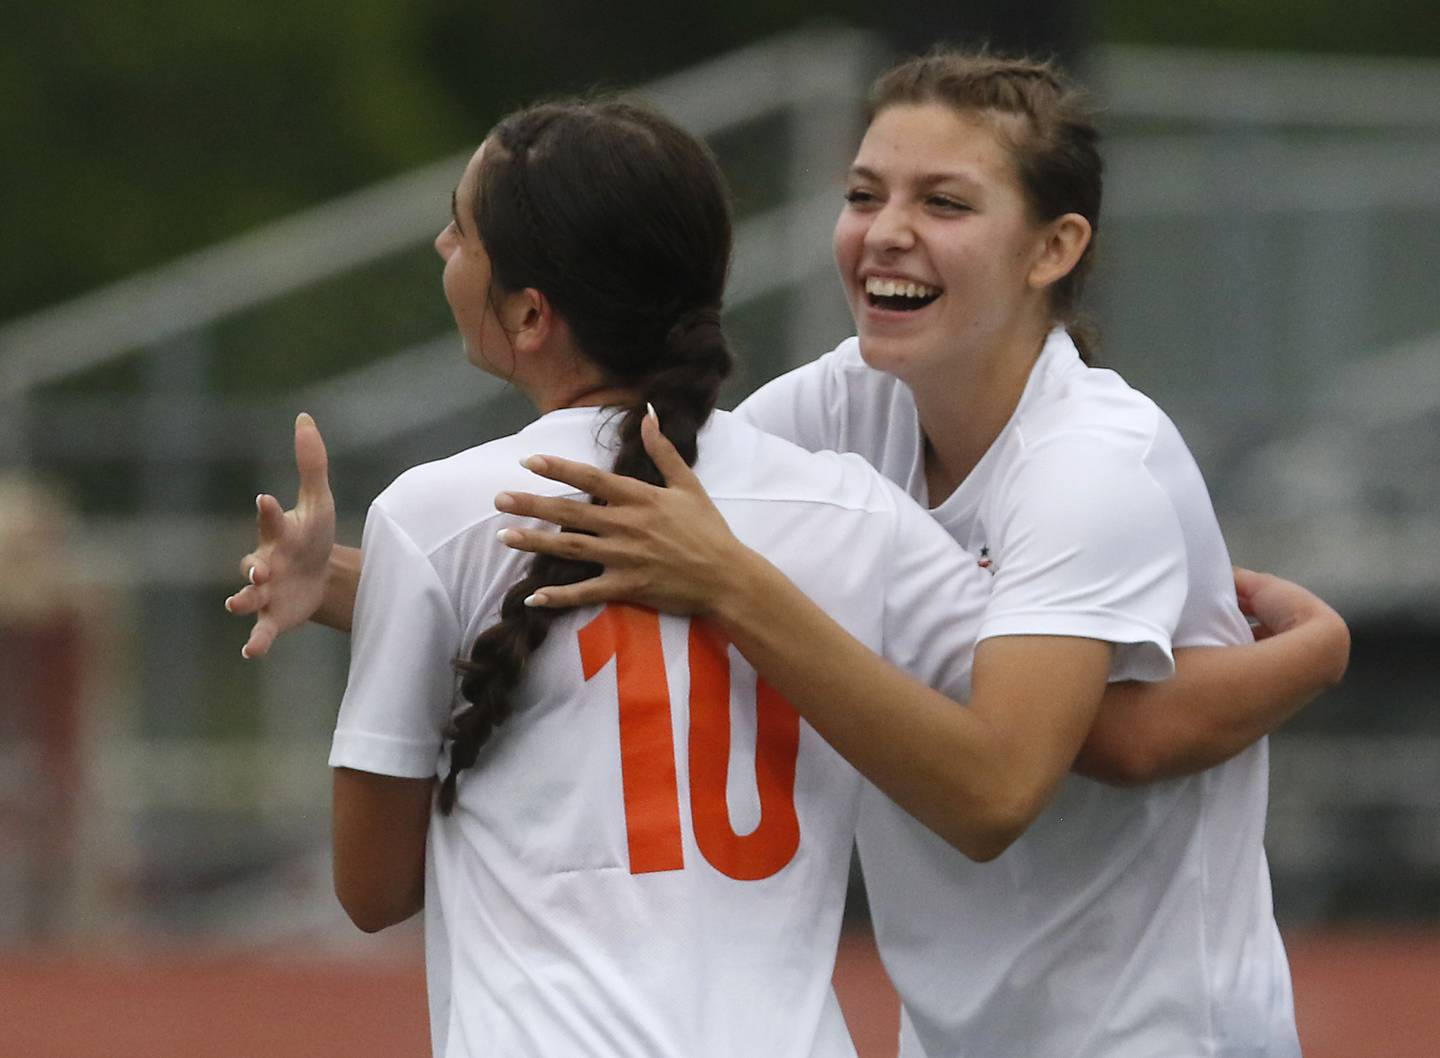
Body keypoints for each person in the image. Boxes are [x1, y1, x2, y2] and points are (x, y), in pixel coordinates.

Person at [228, 55, 1348, 1058]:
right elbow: (615, 588)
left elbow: (1027, 767)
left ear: (1055, 248)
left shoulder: (1090, 465)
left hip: (1148, 1028)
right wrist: (356, 586)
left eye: (944, 201)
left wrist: (1322, 651)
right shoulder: (833, 420)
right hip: (948, 1020)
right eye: (865, 193)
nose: (887, 229)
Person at [303, 96, 1016, 1058]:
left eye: (461, 231)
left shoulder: (436, 516)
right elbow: (1039, 727)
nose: (442, 247)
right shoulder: (852, 510)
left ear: (528, 313)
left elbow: (373, 890)